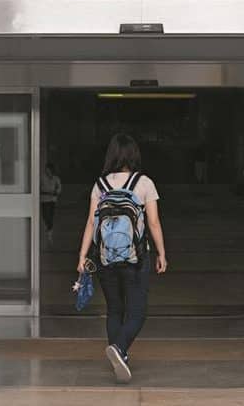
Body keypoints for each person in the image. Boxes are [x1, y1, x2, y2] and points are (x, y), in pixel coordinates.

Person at [76, 133, 168, 383]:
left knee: (114, 309)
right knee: (137, 312)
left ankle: (120, 356)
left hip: (106, 258)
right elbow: (154, 222)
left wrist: (83, 255)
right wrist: (161, 253)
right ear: (134, 155)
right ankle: (120, 349)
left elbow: (90, 222)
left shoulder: (100, 185)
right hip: (136, 258)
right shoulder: (144, 183)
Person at [40, 162, 62, 245]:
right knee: (45, 215)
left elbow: (59, 188)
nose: (47, 171)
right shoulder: (42, 178)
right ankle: (48, 229)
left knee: (50, 216)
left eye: (48, 169)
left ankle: (49, 232)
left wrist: (55, 192)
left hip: (52, 200)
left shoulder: (56, 179)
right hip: (44, 200)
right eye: (46, 170)